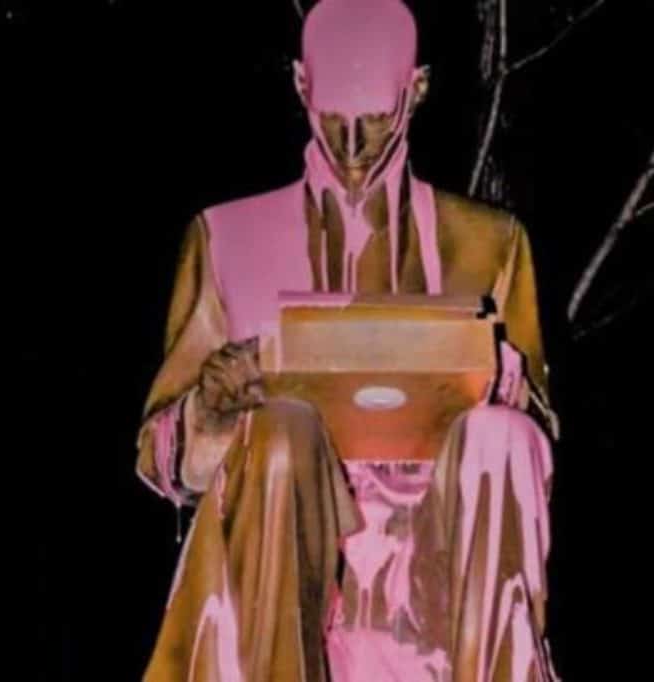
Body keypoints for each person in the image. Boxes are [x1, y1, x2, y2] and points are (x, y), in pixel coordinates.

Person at [136, 1, 560, 679]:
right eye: (334, 118)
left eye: (375, 118)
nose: (353, 145)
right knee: (281, 432)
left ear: (416, 90)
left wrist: (501, 381)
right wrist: (209, 413)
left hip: (437, 566)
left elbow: (538, 435)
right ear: (301, 84)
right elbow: (161, 456)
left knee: (503, 438)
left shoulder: (490, 243)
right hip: (276, 559)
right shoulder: (225, 238)